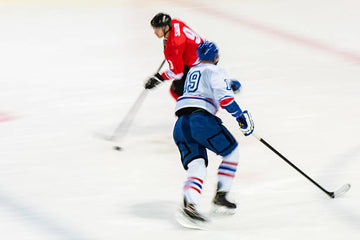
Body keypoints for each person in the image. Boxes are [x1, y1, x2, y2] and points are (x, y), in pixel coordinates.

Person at [173, 41, 254, 223]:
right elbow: (224, 100)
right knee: (231, 152)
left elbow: (204, 86)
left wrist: (229, 84)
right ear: (216, 57)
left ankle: (190, 205)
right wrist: (240, 116)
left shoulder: (193, 71)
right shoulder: (216, 71)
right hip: (200, 120)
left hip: (180, 124)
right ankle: (221, 196)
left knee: (197, 165)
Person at [144, 13, 204, 100]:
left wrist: (159, 78)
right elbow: (181, 37)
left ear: (166, 28)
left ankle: (189, 110)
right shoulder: (175, 22)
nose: (155, 32)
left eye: (157, 29)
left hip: (200, 65)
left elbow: (178, 73)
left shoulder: (173, 47)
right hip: (207, 53)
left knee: (176, 90)